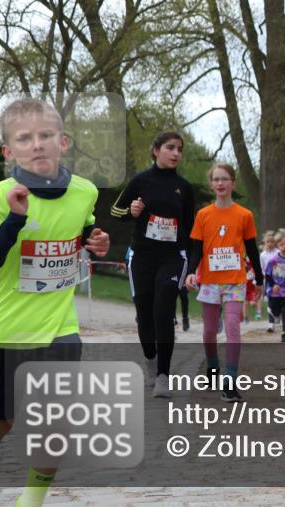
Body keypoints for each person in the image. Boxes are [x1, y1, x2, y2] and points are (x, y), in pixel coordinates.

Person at [0, 98, 110, 507]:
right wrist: (15, 220)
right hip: (5, 330)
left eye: (46, 136)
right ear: (8, 151)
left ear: (62, 142)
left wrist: (97, 240)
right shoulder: (0, 196)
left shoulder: (85, 191)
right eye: (25, 138)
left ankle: (31, 500)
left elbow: (86, 228)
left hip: (59, 327)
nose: (37, 145)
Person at [111, 131, 195, 397]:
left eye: (180, 149)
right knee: (145, 315)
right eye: (170, 148)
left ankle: (163, 375)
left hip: (173, 256)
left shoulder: (184, 187)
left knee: (163, 309)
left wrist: (192, 264)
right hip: (143, 255)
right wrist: (131, 212)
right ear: (156, 150)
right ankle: (151, 360)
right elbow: (117, 211)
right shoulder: (140, 181)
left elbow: (192, 229)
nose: (176, 154)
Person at [185, 162, 263, 402]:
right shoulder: (203, 215)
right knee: (209, 332)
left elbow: (251, 248)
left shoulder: (244, 215)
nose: (220, 183)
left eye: (224, 179)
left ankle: (230, 381)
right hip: (209, 280)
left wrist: (259, 278)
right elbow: (196, 249)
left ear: (233, 183)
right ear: (211, 184)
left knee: (232, 328)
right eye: (216, 179)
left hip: (234, 281)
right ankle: (212, 366)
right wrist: (190, 272)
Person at [265, 229, 285, 343]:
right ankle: (274, 315)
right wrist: (273, 285)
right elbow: (267, 274)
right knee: (275, 311)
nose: (284, 247)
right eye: (281, 244)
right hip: (275, 290)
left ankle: (284, 333)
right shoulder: (273, 260)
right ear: (278, 246)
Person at [260, 230, 279, 332]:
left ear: (275, 243)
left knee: (277, 301)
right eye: (268, 242)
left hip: (279, 280)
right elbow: (262, 268)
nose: (270, 244)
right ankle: (270, 323)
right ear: (265, 243)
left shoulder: (278, 253)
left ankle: (277, 314)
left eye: (272, 242)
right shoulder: (262, 255)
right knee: (269, 301)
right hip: (268, 280)